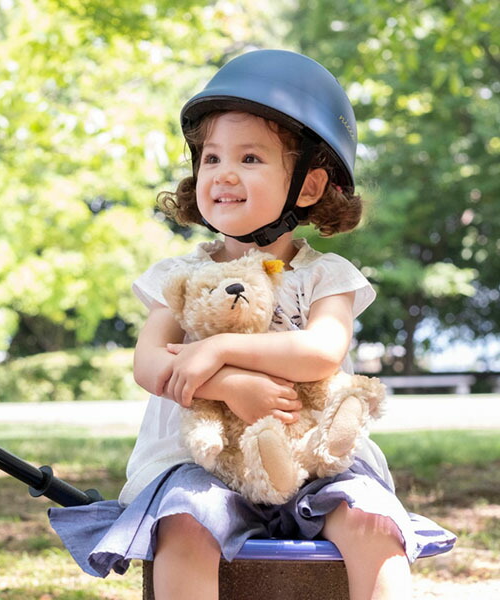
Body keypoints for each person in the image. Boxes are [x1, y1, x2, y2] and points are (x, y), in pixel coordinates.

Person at [49, 50, 451, 600]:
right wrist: (230, 388)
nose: (223, 173)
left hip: (316, 463)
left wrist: (215, 352)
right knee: (185, 521)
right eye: (211, 158)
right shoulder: (182, 275)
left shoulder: (325, 274)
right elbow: (149, 363)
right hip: (203, 461)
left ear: (308, 188)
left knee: (375, 523)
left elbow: (323, 350)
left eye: (251, 159)